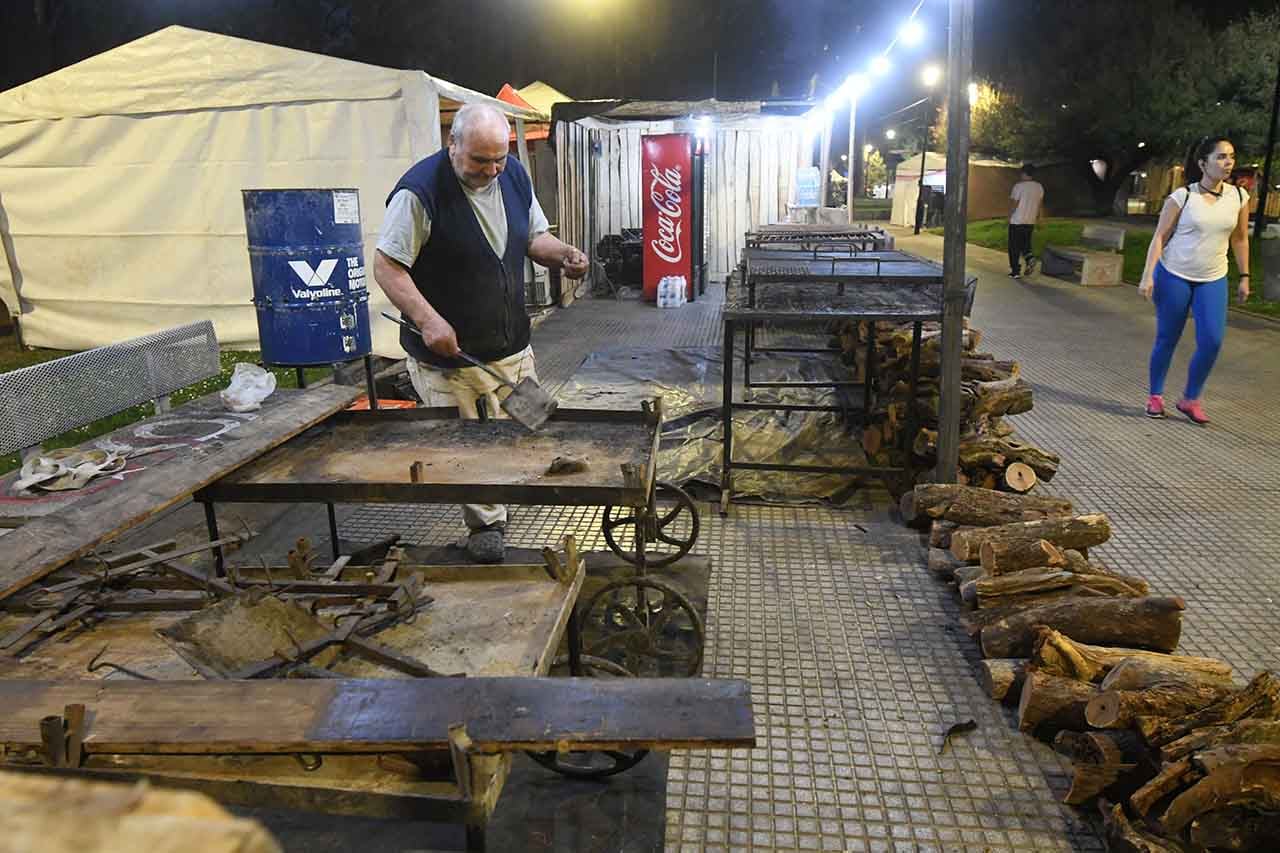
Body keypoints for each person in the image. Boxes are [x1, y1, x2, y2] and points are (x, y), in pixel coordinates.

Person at [373, 103, 588, 562]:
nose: (491, 171)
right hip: (451, 360)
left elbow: (533, 237)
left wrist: (562, 253)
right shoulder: (420, 192)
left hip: (510, 345)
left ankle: (515, 488)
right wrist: (429, 320)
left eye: (499, 158)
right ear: (453, 145)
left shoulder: (511, 176)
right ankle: (485, 525)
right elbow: (387, 267)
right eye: (479, 161)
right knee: (469, 445)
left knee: (528, 422)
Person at [1138, 136, 1250, 425]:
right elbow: (1160, 236)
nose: (1228, 163)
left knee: (1212, 341)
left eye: (1231, 157)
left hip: (1213, 277)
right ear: (1203, 163)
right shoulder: (1183, 196)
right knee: (1167, 338)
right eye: (1221, 157)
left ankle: (1190, 398)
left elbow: (1239, 239)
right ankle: (1155, 396)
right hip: (1174, 273)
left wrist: (1245, 276)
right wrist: (1148, 274)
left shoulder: (1238, 197)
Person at [1008, 164, 1045, 279]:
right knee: (1025, 244)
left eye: (1021, 173)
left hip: (1017, 221)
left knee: (1014, 247)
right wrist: (1040, 218)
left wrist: (1009, 216)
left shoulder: (1018, 186)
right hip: (1030, 221)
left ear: (1024, 173)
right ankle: (1030, 259)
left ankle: (1015, 272)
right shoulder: (1039, 187)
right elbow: (1040, 205)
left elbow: (1015, 204)